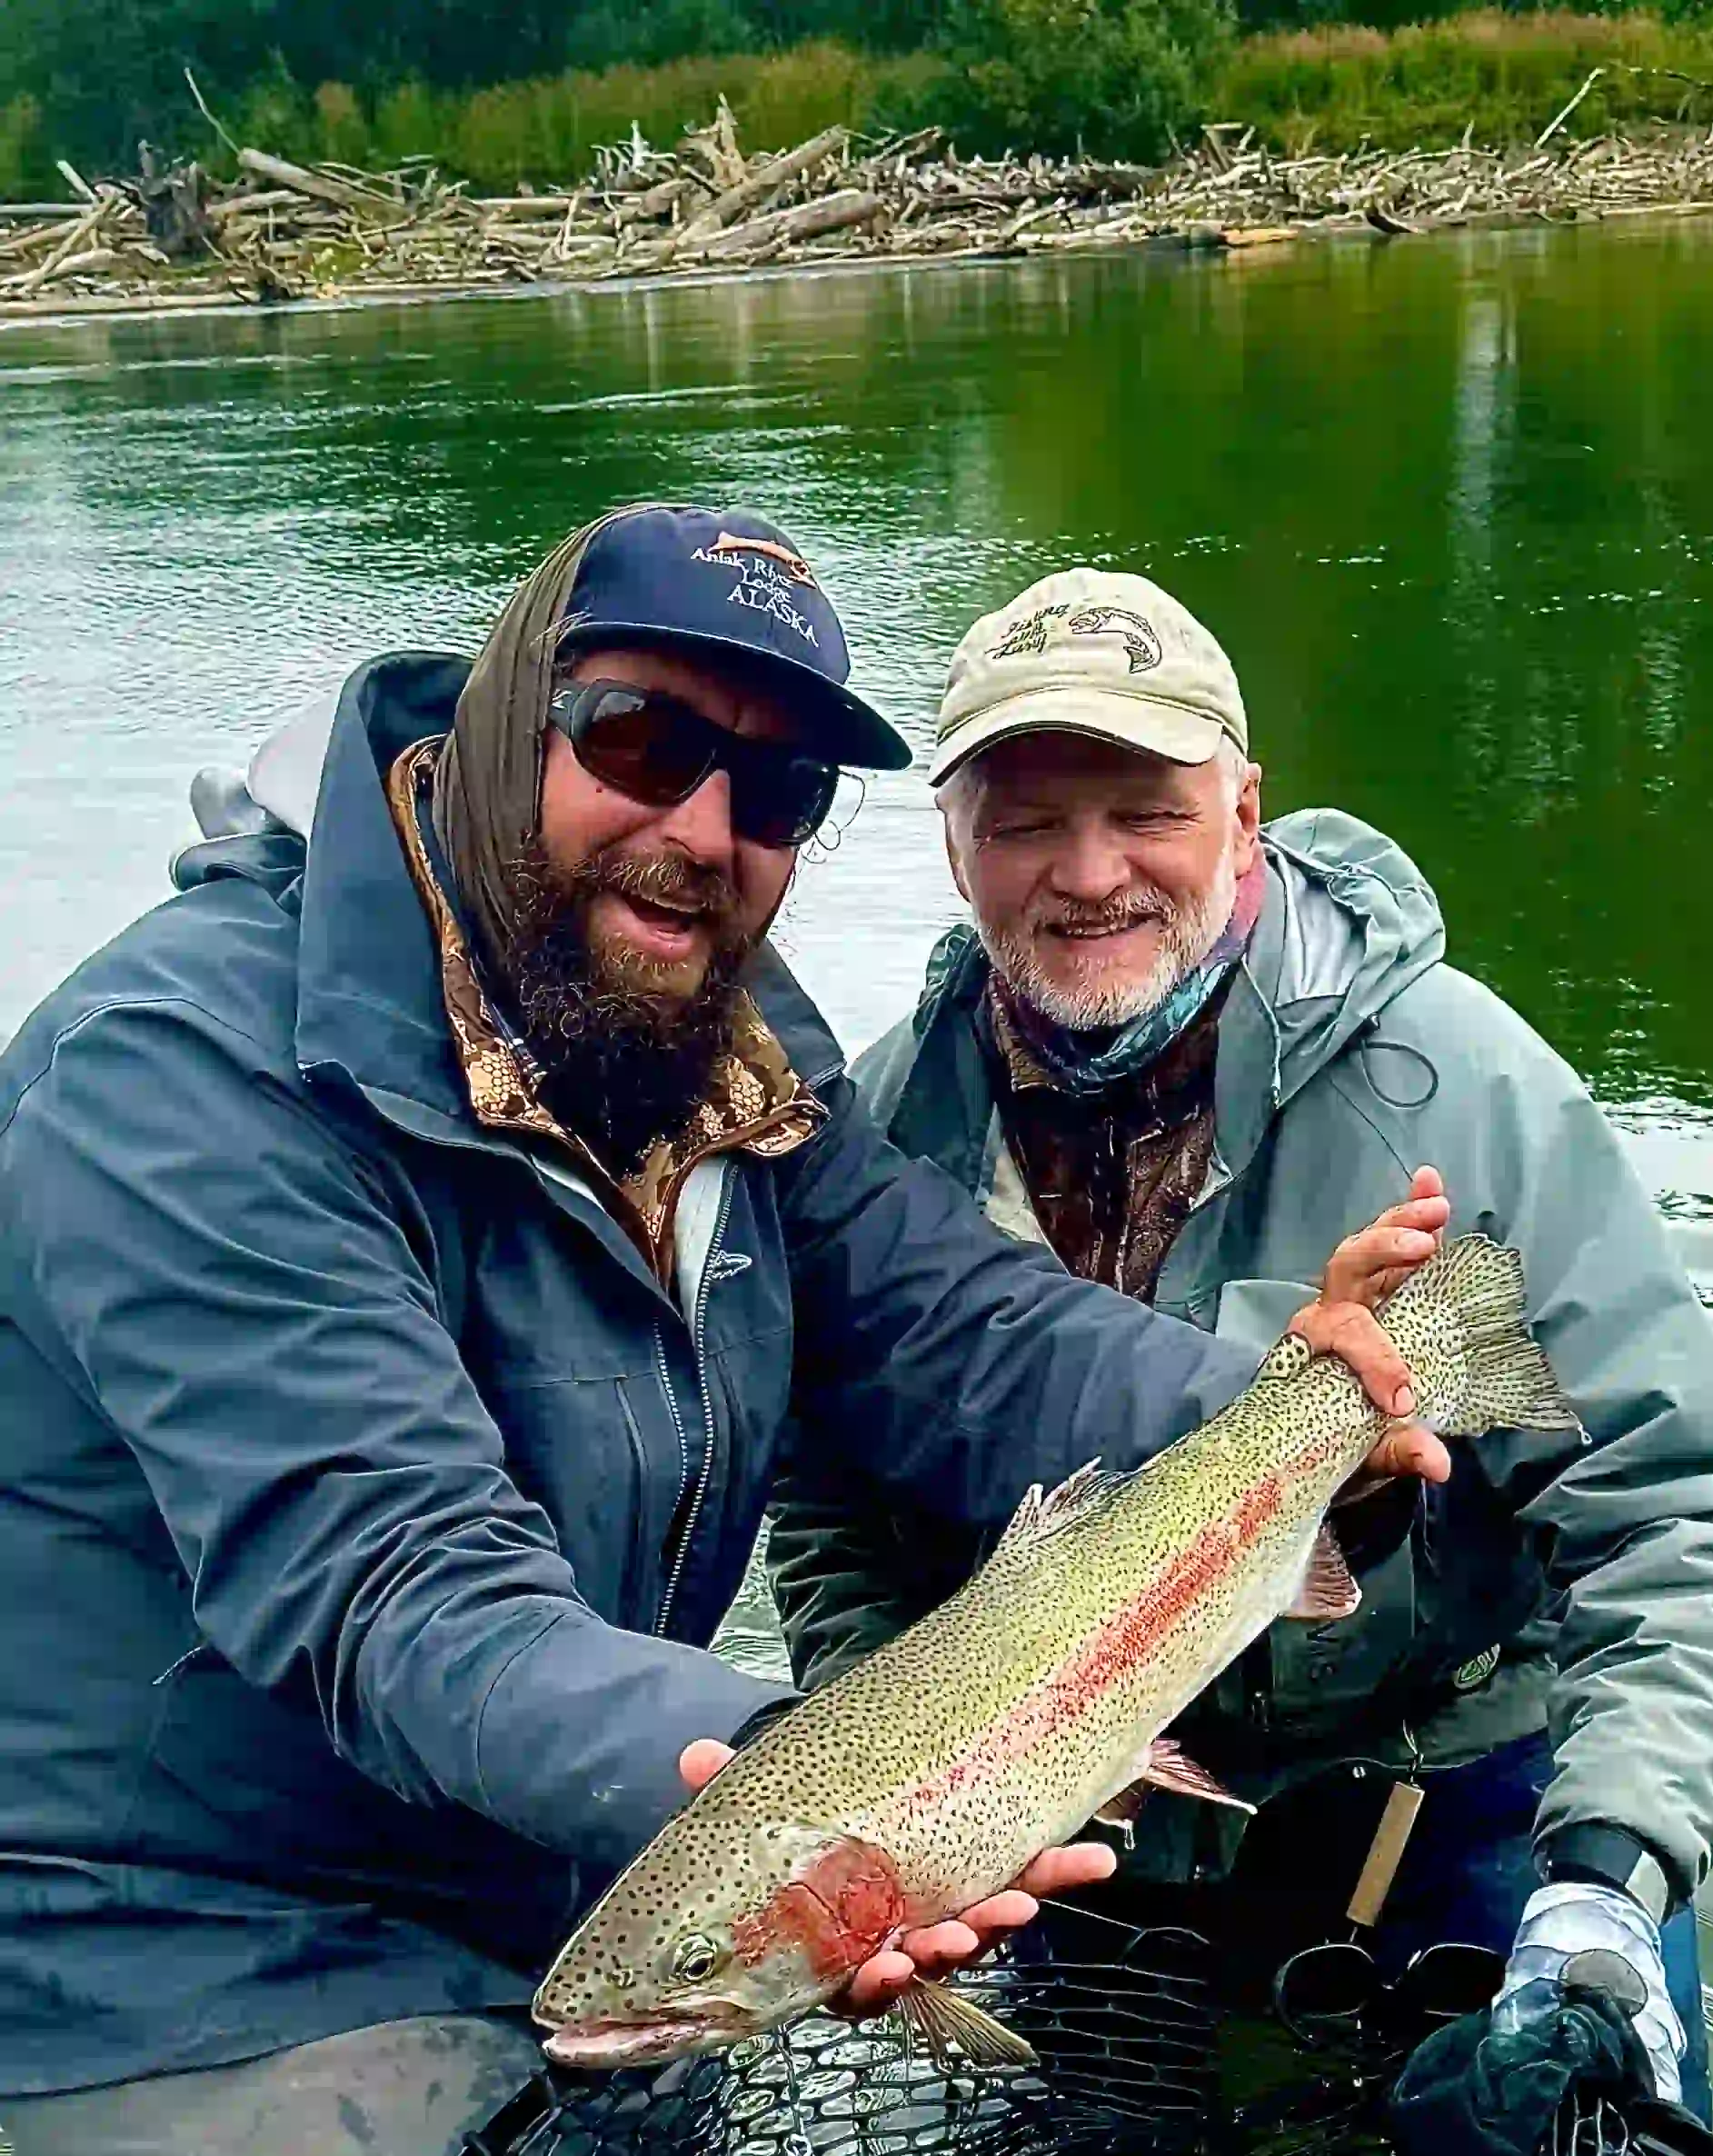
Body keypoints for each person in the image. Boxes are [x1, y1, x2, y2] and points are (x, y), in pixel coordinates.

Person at [0, 510, 1441, 2156]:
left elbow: (970, 1337)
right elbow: (398, 1588)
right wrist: (808, 1801)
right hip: (184, 1962)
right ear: (494, 725)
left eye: (776, 792)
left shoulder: (712, 1043)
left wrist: (1297, 1405)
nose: (701, 830)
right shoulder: (175, 1078)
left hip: (592, 1887)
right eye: (640, 739)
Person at [765, 566, 1713, 2131]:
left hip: (1474, 1815)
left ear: (1246, 807)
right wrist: (921, 1789)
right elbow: (824, 1510)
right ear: (950, 843)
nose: (1089, 873)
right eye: (1023, 819)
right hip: (1094, 1866)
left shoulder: (1460, 1094)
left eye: (1146, 807)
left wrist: (1609, 1884)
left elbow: (1675, 1511)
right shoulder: (871, 1138)